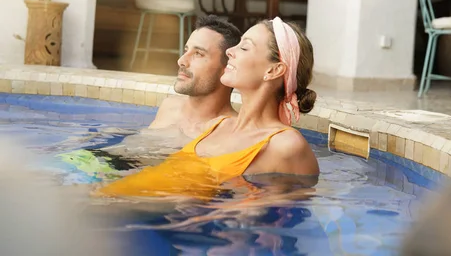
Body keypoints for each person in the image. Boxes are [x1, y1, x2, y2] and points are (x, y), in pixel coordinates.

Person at [95, 17, 320, 200]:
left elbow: (291, 215)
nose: (230, 51)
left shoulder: (286, 145)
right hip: (113, 202)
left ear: (273, 70)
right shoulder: (219, 125)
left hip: (153, 225)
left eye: (244, 47)